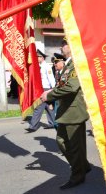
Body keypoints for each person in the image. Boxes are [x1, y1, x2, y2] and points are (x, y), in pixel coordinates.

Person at [41, 38, 90, 190]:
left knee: (73, 145)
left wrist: (49, 96)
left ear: (72, 45)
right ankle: (83, 166)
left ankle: (77, 175)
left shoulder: (75, 63)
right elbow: (63, 85)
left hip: (74, 111)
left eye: (64, 43)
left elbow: (71, 87)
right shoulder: (69, 64)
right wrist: (51, 92)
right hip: (67, 110)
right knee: (64, 142)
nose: (62, 46)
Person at [25, 49, 56, 132]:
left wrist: (53, 89)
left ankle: (33, 126)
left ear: (42, 57)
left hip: (46, 89)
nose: (36, 58)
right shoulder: (38, 66)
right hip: (41, 89)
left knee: (38, 107)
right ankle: (53, 123)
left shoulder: (46, 66)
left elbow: (51, 78)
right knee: (49, 108)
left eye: (38, 57)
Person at [52, 52, 66, 129]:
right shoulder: (58, 72)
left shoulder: (66, 72)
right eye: (54, 62)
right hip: (57, 100)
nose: (55, 64)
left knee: (58, 124)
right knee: (56, 124)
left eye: (56, 62)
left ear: (62, 63)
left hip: (63, 101)